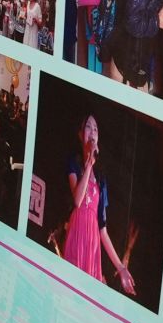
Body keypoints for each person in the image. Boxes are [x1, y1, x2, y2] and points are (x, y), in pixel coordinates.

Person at [63, 114, 136, 294]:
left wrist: (121, 268)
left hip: (93, 244)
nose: (92, 132)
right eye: (88, 126)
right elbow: (77, 200)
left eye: (95, 129)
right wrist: (89, 164)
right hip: (77, 234)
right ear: (80, 134)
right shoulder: (74, 162)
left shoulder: (101, 179)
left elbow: (102, 230)